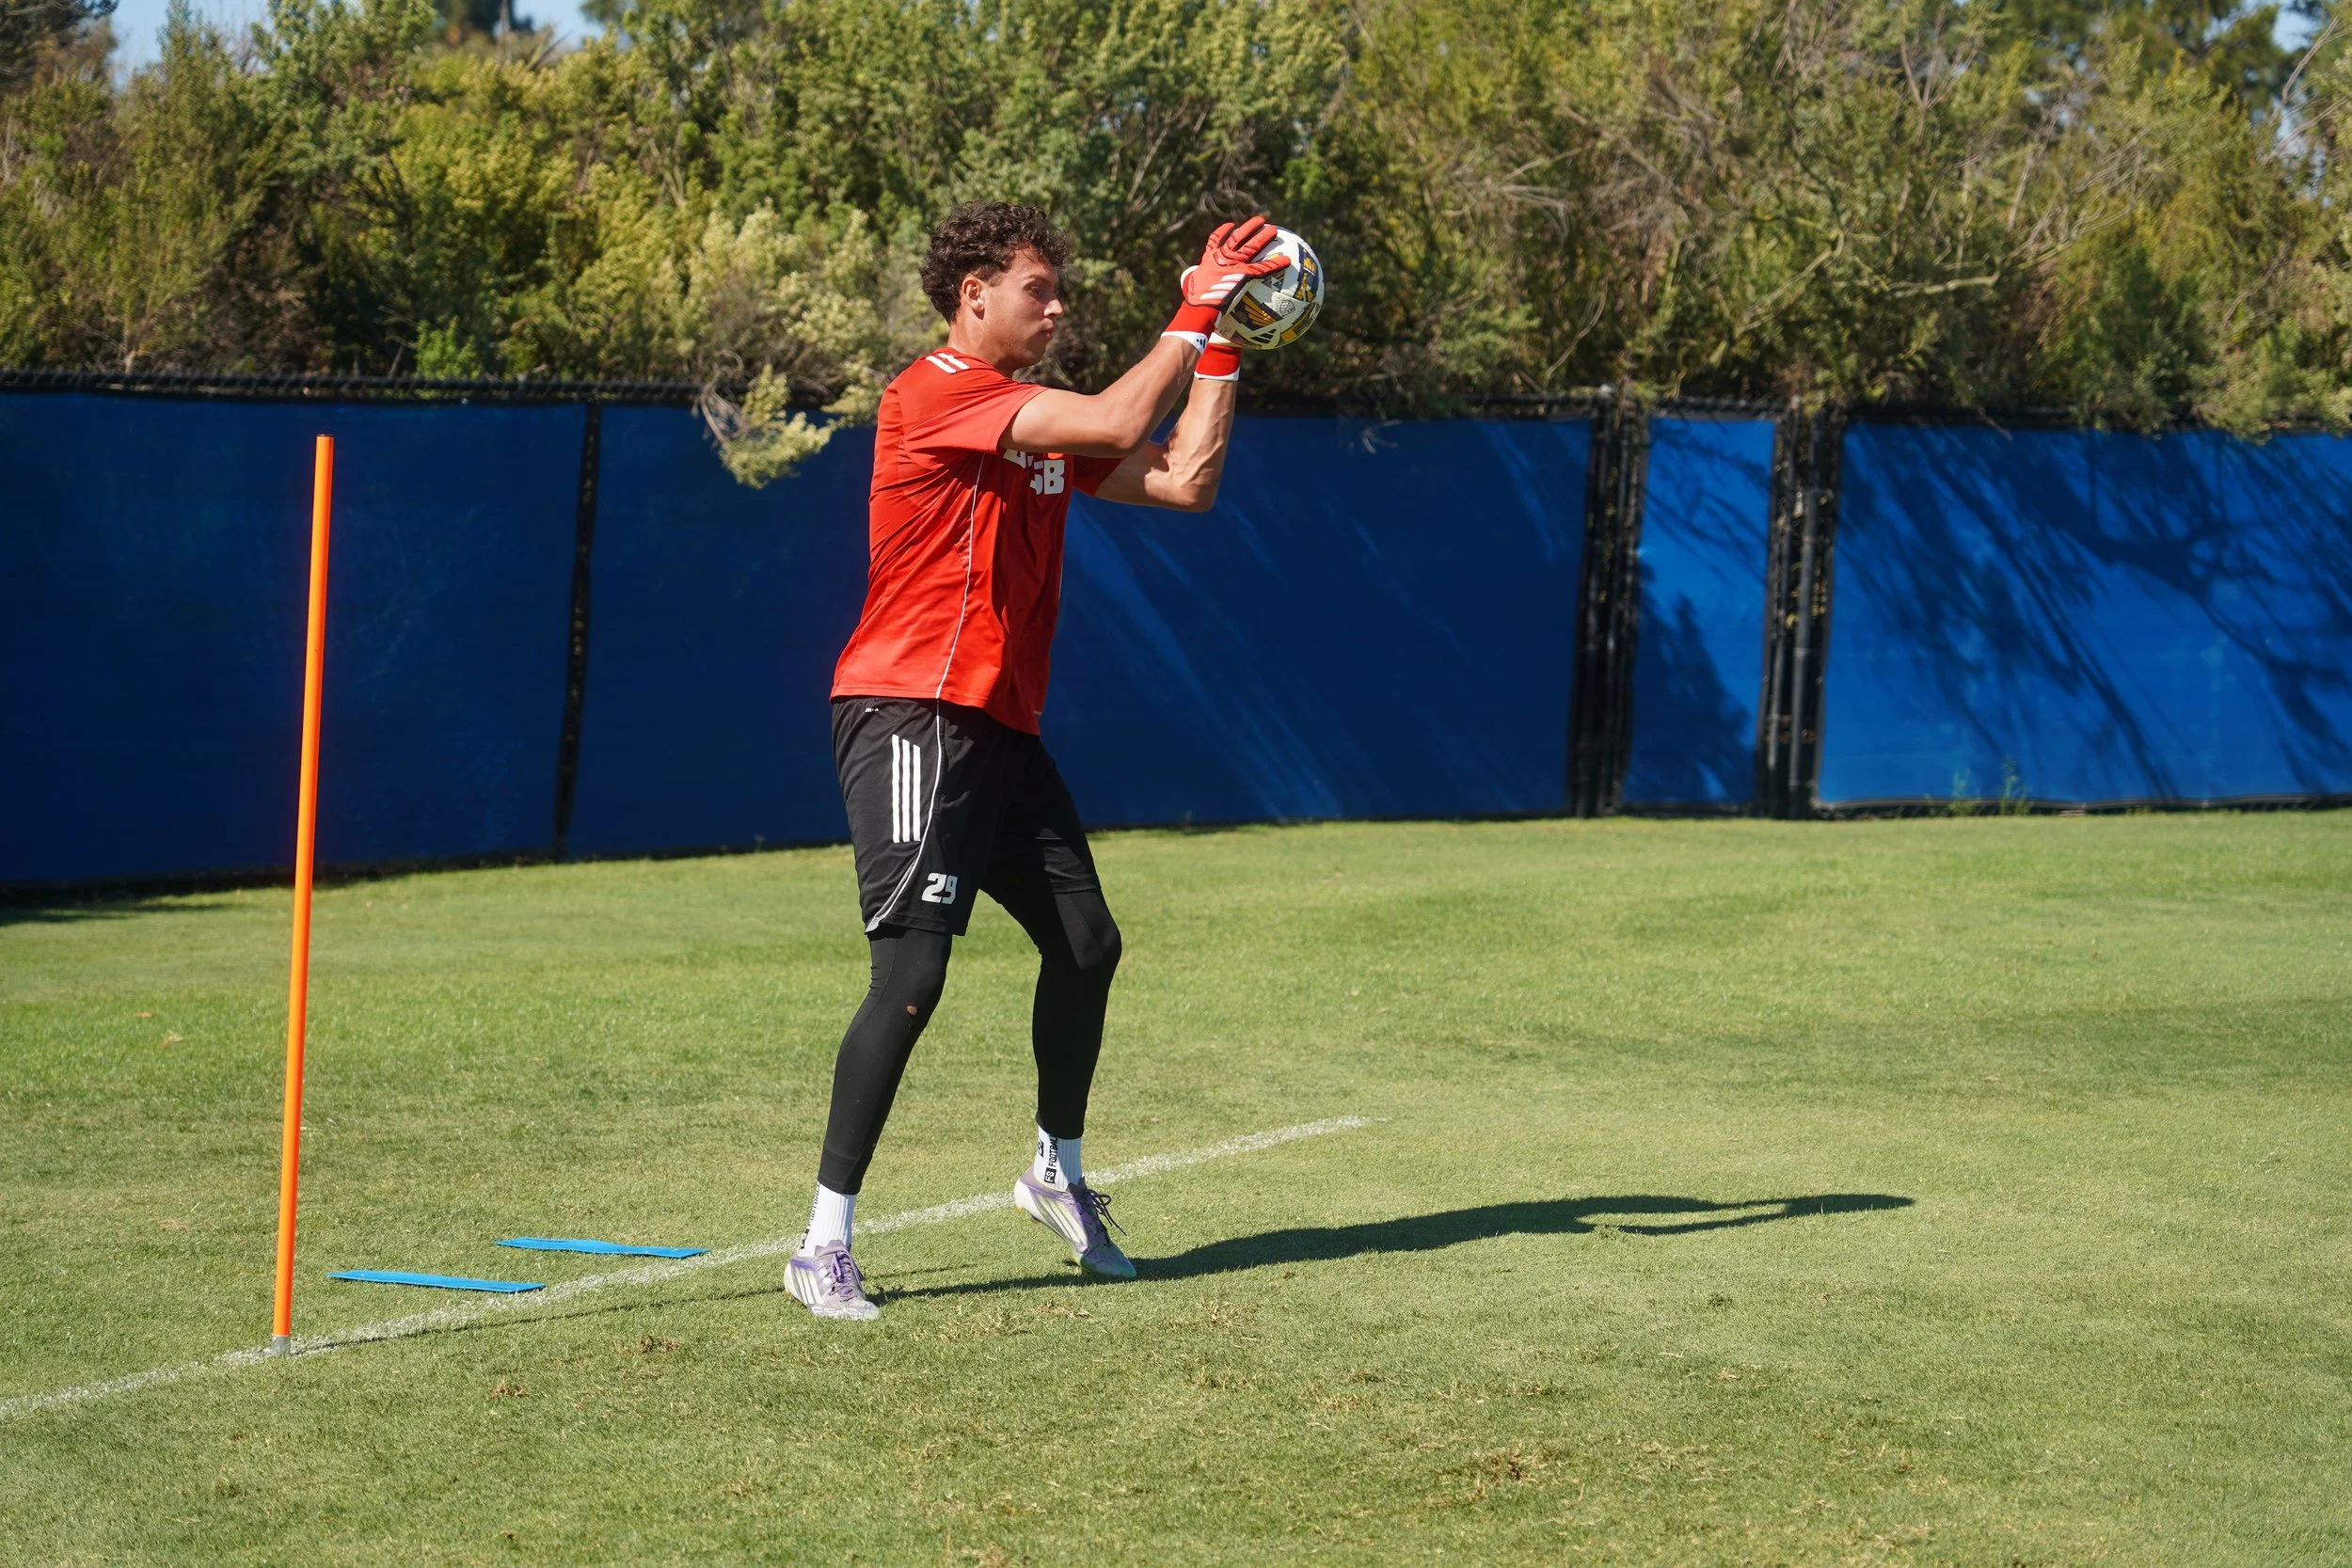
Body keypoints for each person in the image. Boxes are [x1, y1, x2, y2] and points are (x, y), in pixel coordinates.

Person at [784, 201, 1285, 1321]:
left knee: (1086, 941)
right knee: (912, 974)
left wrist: (1231, 342)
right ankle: (822, 1243)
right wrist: (1195, 307)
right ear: (973, 296)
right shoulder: (938, 390)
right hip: (909, 708)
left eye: (1060, 293)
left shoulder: (1033, 423)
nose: (1056, 309)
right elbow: (1115, 416)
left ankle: (1054, 1169)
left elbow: (1186, 480)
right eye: (1037, 291)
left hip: (996, 722)